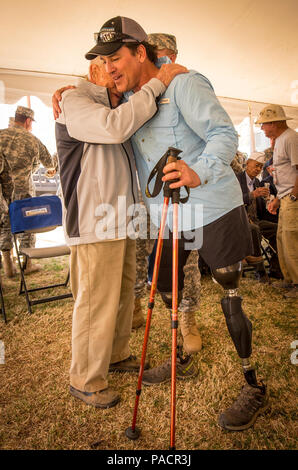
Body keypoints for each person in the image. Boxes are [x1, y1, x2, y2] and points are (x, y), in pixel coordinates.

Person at [87, 15, 269, 431]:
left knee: (229, 292)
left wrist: (197, 170)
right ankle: (180, 357)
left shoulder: (185, 84)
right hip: (167, 214)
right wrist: (70, 89)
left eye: (116, 57)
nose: (110, 67)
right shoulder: (132, 99)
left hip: (211, 205)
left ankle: (252, 382)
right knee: (165, 284)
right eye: (103, 60)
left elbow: (225, 134)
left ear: (141, 52)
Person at [55, 49, 187, 408]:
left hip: (123, 221)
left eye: (116, 66)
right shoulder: (74, 100)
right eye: (106, 68)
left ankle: (115, 355)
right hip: (95, 224)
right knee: (96, 302)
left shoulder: (118, 106)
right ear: (91, 72)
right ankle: (84, 378)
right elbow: (113, 130)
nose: (114, 73)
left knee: (122, 296)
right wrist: (159, 82)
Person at [133, 32, 202, 355]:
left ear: (173, 56)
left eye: (165, 56)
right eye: (155, 56)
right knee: (139, 255)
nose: (161, 62)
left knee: (185, 260)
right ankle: (136, 306)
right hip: (142, 195)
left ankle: (187, 318)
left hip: (179, 195)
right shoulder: (137, 92)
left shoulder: (185, 88)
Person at [0, 106, 55, 276]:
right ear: (28, 121)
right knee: (29, 225)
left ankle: (8, 265)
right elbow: (49, 164)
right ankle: (27, 264)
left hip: (2, 190)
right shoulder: (32, 140)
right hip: (22, 191)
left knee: (4, 224)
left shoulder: (1, 135)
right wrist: (49, 170)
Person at [256, 104, 298, 299]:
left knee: (291, 241)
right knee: (282, 239)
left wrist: (293, 196)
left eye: (263, 124)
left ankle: (296, 284)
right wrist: (280, 200)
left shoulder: (290, 138)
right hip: (286, 198)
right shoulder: (280, 140)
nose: (262, 128)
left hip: (292, 198)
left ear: (273, 122)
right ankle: (289, 280)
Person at [237, 151, 282, 280]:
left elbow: (260, 210)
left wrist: (267, 200)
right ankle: (260, 272)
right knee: (254, 229)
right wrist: (253, 195)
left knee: (278, 229)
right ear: (247, 163)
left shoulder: (257, 182)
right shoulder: (236, 179)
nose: (258, 169)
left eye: (261, 167)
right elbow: (232, 201)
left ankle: (275, 268)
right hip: (240, 221)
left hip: (256, 220)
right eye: (256, 165)